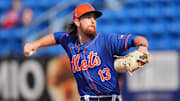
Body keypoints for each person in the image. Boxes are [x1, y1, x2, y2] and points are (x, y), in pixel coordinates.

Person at [24, 3, 150, 101]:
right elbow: (56, 37)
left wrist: (142, 48)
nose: (93, 21)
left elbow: (137, 39)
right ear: (77, 22)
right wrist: (35, 44)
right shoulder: (70, 42)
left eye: (94, 18)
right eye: (88, 17)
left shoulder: (107, 41)